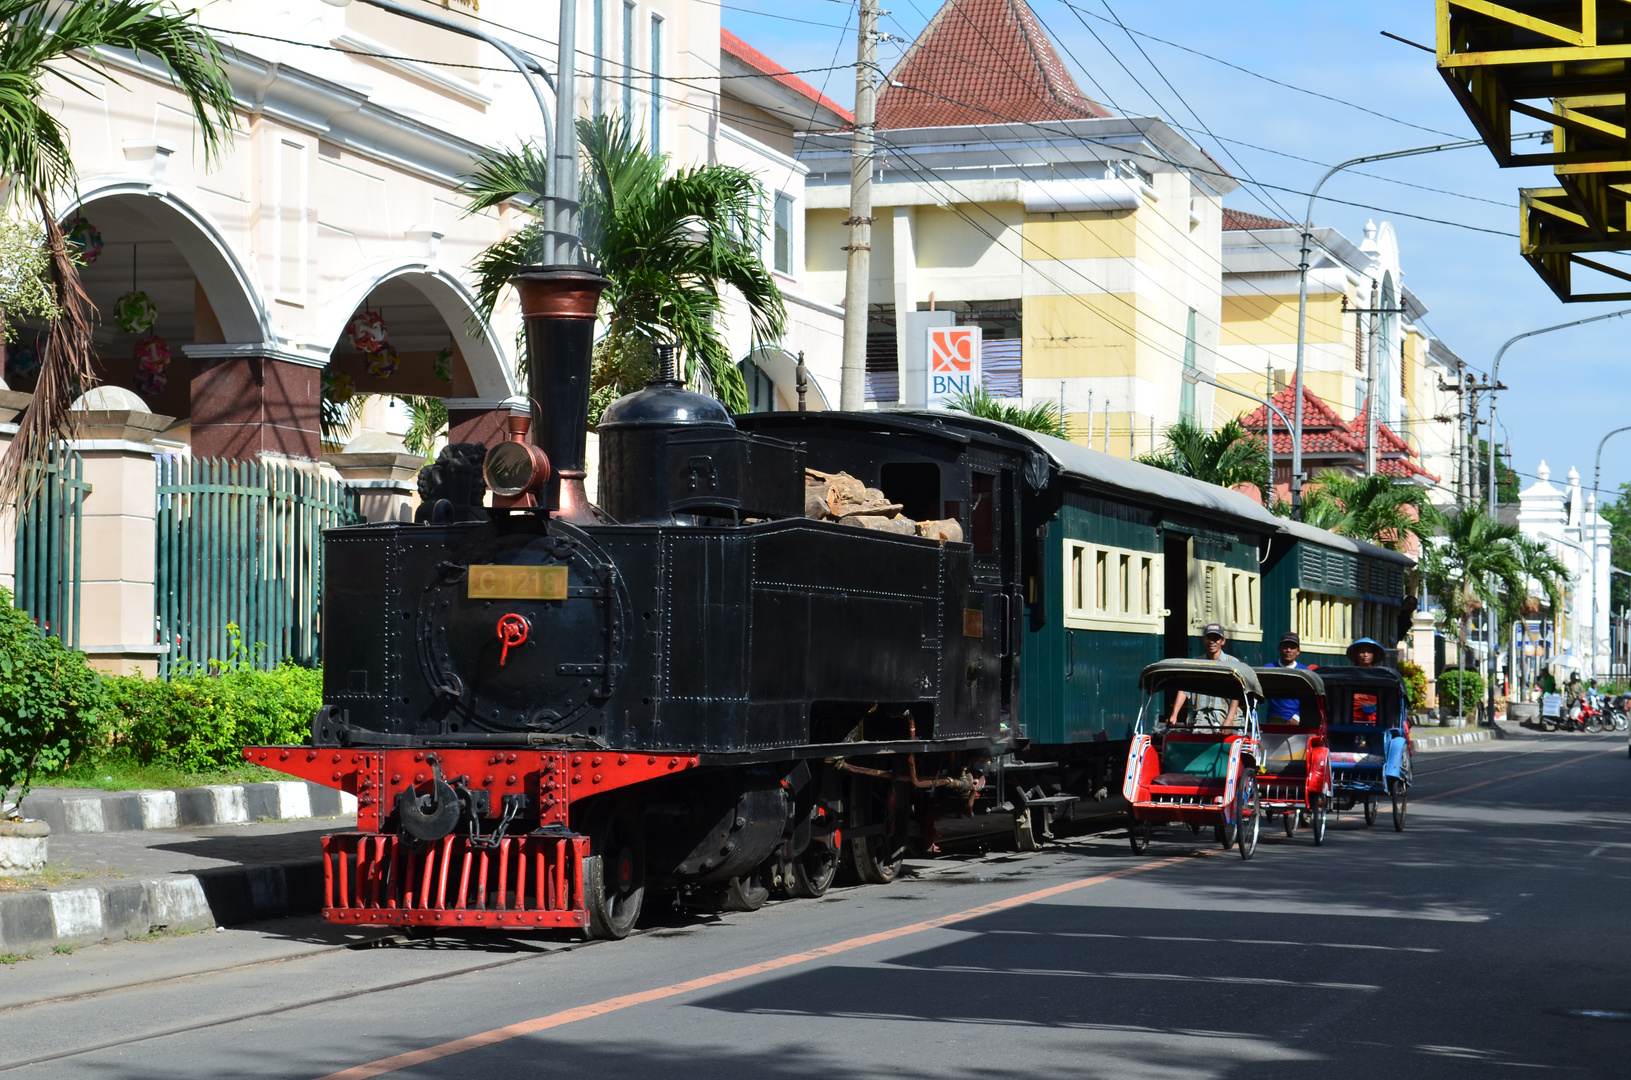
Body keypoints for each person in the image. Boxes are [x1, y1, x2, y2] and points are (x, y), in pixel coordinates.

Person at [1168, 623, 1252, 729]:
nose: (1212, 642)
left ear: (1223, 641)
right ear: (1203, 640)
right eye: (1209, 638)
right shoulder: (1195, 663)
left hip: (1226, 715)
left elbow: (1236, 694)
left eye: (1216, 638)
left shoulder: (1233, 663)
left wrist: (1229, 720)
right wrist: (1174, 714)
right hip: (1202, 717)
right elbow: (1184, 690)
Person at [1264, 632, 1309, 723]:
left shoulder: (1305, 672)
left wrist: (1297, 717)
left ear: (1298, 651)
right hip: (1275, 718)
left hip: (1299, 719)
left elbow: (1310, 700)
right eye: (1285, 647)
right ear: (1279, 649)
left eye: (1292, 647)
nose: (1288, 650)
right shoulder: (1268, 669)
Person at [1347, 637, 1386, 723]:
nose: (1365, 655)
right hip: (1352, 714)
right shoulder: (1349, 674)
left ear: (1373, 655)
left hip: (1376, 714)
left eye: (1369, 652)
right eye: (1362, 652)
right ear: (1357, 655)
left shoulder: (1381, 674)